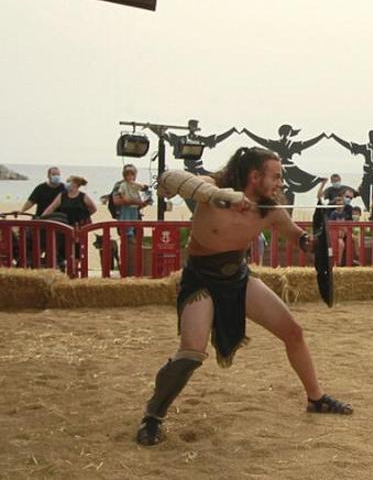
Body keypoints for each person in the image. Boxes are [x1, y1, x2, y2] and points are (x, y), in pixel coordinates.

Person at [136, 147, 352, 446]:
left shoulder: (271, 210)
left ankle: (316, 398)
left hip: (238, 278)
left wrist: (323, 247)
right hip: (201, 280)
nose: (280, 183)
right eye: (275, 176)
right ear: (254, 175)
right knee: (191, 353)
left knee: (293, 332)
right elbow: (168, 179)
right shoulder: (209, 186)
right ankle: (153, 415)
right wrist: (216, 196)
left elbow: (302, 240)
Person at [113, 165, 151, 237]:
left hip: (136, 213)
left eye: (133, 174)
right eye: (128, 174)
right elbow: (117, 201)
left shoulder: (136, 185)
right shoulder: (120, 185)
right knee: (126, 237)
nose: (131, 176)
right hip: (124, 213)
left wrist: (143, 201)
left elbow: (148, 199)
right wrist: (134, 201)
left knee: (137, 239)